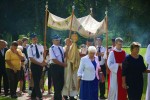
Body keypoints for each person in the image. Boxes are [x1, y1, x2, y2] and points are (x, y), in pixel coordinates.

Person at [27, 34, 46, 100]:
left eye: (36, 38)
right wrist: (39, 64)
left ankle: (33, 95)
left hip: (40, 65)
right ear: (31, 40)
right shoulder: (30, 47)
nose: (35, 40)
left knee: (38, 80)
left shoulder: (40, 46)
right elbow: (31, 58)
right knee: (36, 80)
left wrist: (43, 61)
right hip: (34, 65)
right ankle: (40, 96)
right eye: (33, 39)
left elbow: (43, 54)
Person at [49, 34, 66, 100]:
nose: (58, 41)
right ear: (53, 41)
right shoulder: (52, 48)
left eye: (59, 40)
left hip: (61, 66)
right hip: (55, 67)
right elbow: (54, 59)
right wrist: (63, 64)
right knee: (57, 83)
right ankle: (58, 98)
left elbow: (63, 56)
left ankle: (56, 97)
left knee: (62, 82)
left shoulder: (61, 47)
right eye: (56, 40)